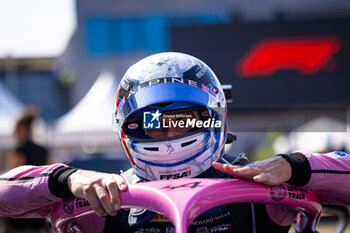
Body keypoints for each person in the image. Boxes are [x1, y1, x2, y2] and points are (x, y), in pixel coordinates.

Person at [0, 52, 350, 233]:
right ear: (127, 129)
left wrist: (296, 166)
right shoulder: (104, 200)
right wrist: (69, 179)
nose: (170, 137)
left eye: (183, 121)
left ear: (216, 118)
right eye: (153, 126)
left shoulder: (263, 188)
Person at [5, 107, 50, 233]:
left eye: (17, 128)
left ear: (24, 129)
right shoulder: (43, 150)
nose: (14, 132)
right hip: (39, 200)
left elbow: (13, 176)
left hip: (20, 202)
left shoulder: (20, 149)